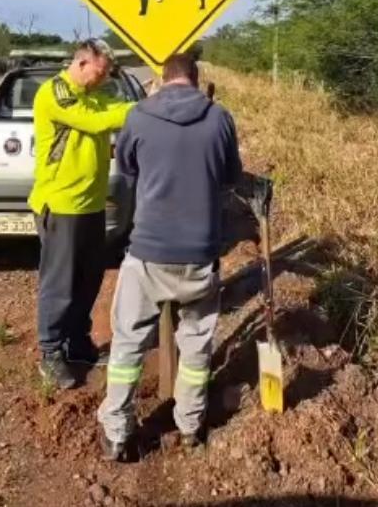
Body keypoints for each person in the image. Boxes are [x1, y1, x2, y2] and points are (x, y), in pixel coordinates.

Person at [97, 52, 242, 461]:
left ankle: (117, 433)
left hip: (148, 252)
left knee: (127, 345)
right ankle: (191, 427)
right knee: (196, 347)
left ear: (162, 79)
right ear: (196, 79)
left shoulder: (139, 117)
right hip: (201, 254)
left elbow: (126, 171)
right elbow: (231, 178)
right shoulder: (220, 118)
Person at [28, 39, 135, 389]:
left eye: (107, 75)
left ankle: (77, 342)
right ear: (83, 63)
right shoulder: (55, 92)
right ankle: (50, 351)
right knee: (59, 283)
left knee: (89, 278)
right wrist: (142, 109)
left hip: (90, 203)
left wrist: (141, 102)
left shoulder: (94, 92)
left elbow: (115, 106)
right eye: (100, 73)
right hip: (62, 203)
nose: (104, 80)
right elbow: (95, 122)